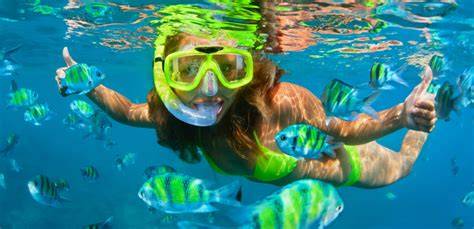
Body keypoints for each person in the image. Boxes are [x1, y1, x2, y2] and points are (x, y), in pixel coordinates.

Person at [55, 29, 436, 188]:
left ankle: (421, 122)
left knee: (402, 168)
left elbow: (345, 132)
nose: (209, 88)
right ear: (166, 77)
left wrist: (401, 116)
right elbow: (124, 111)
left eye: (227, 68)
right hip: (296, 166)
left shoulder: (281, 102)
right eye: (188, 70)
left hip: (337, 163)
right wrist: (87, 85)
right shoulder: (171, 113)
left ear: (246, 72)